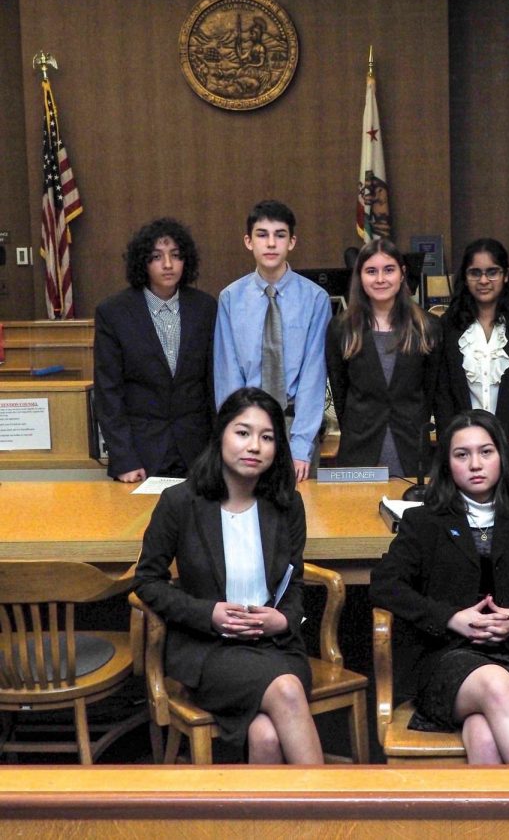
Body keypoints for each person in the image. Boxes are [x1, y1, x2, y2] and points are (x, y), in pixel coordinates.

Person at [370, 409, 509, 764]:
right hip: (446, 660)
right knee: (493, 683)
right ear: (447, 464)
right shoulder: (424, 520)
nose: (475, 464)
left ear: (502, 457)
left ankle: (502, 821)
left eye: (486, 452)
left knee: (483, 733)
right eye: (462, 455)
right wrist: (450, 618)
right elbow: (385, 585)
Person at [135, 387, 324, 765]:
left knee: (267, 735)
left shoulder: (287, 505)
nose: (254, 445)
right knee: (286, 693)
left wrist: (282, 619)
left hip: (275, 646)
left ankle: (265, 826)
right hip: (209, 650)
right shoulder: (179, 503)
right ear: (220, 435)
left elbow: (294, 583)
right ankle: (334, 818)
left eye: (267, 437)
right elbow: (147, 582)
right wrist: (209, 614)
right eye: (243, 432)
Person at [214, 200, 331, 482]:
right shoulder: (230, 298)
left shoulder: (315, 299)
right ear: (248, 241)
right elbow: (228, 376)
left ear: (291, 242)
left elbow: (313, 378)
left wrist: (301, 447)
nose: (270, 244)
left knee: (299, 515)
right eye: (262, 234)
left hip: (295, 425)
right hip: (247, 430)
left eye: (279, 235)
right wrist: (236, 437)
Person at [93, 218, 217, 482]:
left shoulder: (206, 308)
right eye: (157, 257)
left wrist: (218, 454)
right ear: (143, 262)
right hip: (140, 455)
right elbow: (108, 392)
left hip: (198, 452)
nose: (168, 264)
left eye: (176, 255)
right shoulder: (113, 312)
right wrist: (124, 457)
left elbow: (212, 385)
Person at [434, 238, 509, 474]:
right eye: (475, 273)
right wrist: (460, 449)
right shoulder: (447, 326)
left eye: (492, 272)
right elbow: (442, 394)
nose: (484, 280)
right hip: (464, 459)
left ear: (506, 275)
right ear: (465, 278)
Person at [325, 237, 441, 476]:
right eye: (371, 271)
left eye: (389, 270)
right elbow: (340, 393)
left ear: (402, 273)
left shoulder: (428, 326)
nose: (380, 279)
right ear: (360, 276)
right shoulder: (341, 328)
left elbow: (430, 392)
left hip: (412, 450)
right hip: (359, 450)